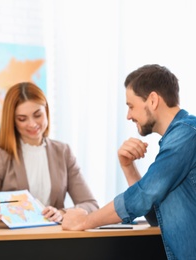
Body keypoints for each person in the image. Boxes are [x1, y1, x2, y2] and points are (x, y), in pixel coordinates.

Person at [61, 64, 196, 260]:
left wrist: (85, 221)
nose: (128, 116)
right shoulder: (179, 137)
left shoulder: (186, 135)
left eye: (131, 106)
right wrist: (128, 166)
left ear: (152, 100)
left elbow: (144, 195)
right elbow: (154, 216)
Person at [0, 82, 99, 225]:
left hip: (53, 238)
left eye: (37, 115)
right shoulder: (1, 155)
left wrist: (62, 213)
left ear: (46, 112)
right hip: (14, 240)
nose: (32, 124)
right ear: (13, 121)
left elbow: (91, 205)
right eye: (22, 119)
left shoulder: (63, 152)